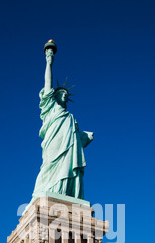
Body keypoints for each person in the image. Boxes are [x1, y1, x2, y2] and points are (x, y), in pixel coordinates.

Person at [31, 43, 93, 202]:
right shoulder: (50, 109)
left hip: (69, 149)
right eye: (60, 93)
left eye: (66, 93)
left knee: (67, 167)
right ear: (54, 96)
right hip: (53, 145)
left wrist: (83, 137)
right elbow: (48, 84)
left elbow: (76, 139)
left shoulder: (71, 118)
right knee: (48, 168)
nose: (64, 95)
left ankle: (65, 194)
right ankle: (47, 193)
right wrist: (49, 61)